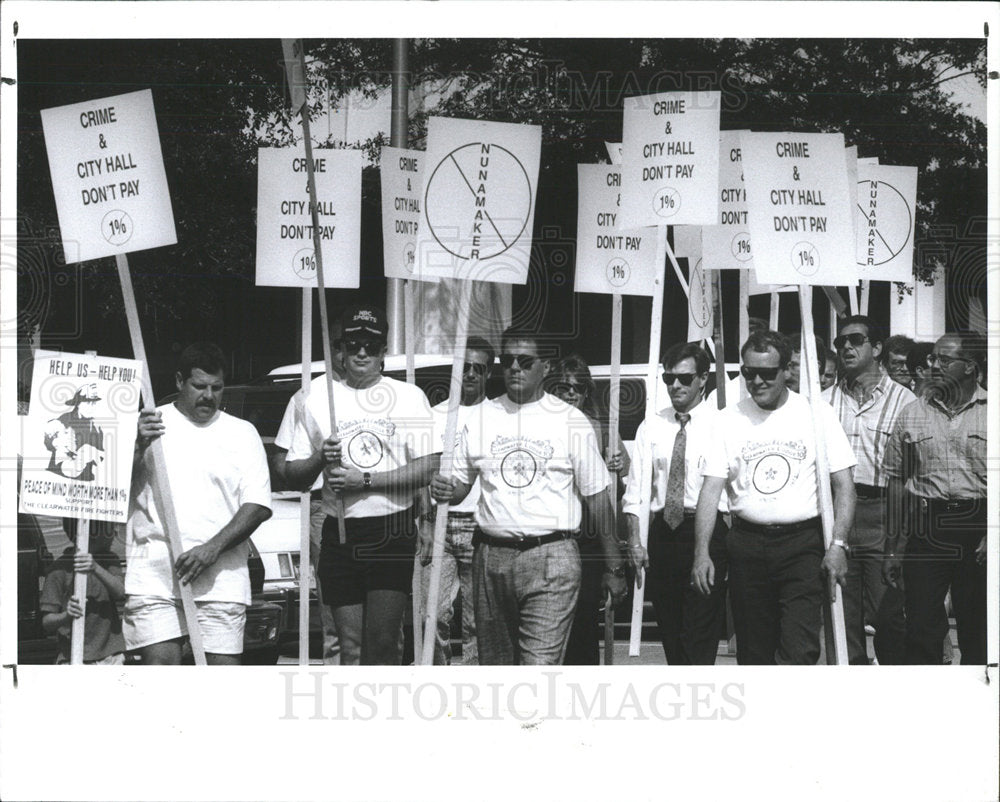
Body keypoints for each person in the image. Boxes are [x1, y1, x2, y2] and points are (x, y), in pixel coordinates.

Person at [430, 326, 628, 665]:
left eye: (525, 361)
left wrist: (614, 566)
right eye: (507, 361)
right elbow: (461, 484)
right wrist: (444, 487)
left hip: (552, 557)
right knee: (498, 670)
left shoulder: (570, 421)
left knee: (538, 670)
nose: (515, 368)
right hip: (491, 557)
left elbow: (597, 497)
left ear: (545, 367)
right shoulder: (480, 418)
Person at [691, 329, 857, 665]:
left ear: (786, 371)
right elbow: (710, 492)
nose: (756, 381)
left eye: (767, 373)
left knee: (799, 649)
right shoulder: (727, 420)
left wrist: (838, 545)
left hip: (803, 546)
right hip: (747, 546)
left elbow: (844, 486)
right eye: (749, 372)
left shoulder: (816, 414)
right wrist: (701, 553)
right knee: (754, 653)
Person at [285, 305, 438, 665]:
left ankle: (385, 717)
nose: (362, 352)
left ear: (384, 350)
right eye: (353, 344)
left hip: (390, 528)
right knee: (348, 645)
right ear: (339, 349)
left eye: (371, 344)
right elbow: (293, 473)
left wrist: (364, 479)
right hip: (339, 530)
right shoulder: (316, 398)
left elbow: (427, 467)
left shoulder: (407, 396)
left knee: (383, 643)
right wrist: (320, 458)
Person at [125, 342, 273, 665]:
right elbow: (114, 484)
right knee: (160, 679)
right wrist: (136, 446)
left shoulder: (242, 433)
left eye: (216, 388)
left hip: (222, 581)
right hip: (155, 578)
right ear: (180, 381)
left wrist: (211, 549)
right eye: (199, 386)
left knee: (218, 689)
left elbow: (258, 504)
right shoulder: (150, 423)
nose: (208, 395)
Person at [883, 332, 987, 665]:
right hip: (928, 526)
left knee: (978, 629)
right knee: (921, 627)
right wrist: (893, 548)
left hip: (980, 527)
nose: (934, 365)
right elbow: (896, 480)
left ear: (969, 366)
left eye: (944, 360)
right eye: (932, 359)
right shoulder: (913, 413)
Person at [624, 342, 728, 665]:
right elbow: (637, 489)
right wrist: (635, 540)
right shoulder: (651, 426)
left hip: (706, 534)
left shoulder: (720, 426)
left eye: (684, 378)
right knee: (671, 633)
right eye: (669, 379)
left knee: (699, 633)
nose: (676, 386)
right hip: (663, 536)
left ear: (703, 379)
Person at [824, 316, 914, 665]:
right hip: (836, 513)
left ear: (876, 348)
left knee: (888, 613)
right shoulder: (826, 401)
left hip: (883, 512)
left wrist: (899, 532)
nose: (845, 347)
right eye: (840, 342)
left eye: (856, 340)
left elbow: (911, 470)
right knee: (841, 616)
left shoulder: (905, 401)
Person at [545, 354, 629, 665]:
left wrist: (618, 465)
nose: (570, 394)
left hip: (588, 536)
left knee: (582, 622)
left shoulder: (601, 427)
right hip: (553, 533)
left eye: (578, 388)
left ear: (586, 393)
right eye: (564, 387)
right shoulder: (542, 424)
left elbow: (620, 484)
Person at [418, 336, 497, 665]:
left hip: (480, 525)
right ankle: (440, 679)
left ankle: (471, 686)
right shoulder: (434, 414)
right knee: (431, 615)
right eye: (463, 368)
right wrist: (423, 520)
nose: (470, 375)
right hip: (438, 525)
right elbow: (419, 471)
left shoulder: (499, 415)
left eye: (478, 369)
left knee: (476, 621)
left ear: (488, 373)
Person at [271, 321, 344, 664]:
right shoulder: (308, 396)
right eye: (343, 345)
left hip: (382, 509)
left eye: (365, 345)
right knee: (334, 606)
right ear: (332, 350)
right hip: (325, 507)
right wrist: (320, 458)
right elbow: (285, 464)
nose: (352, 354)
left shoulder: (390, 394)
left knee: (382, 616)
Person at [40, 519, 125, 665]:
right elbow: (47, 622)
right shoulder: (58, 570)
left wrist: (95, 567)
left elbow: (120, 593)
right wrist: (67, 615)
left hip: (110, 655)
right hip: (72, 655)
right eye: (109, 528)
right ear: (90, 533)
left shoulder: (110, 561)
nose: (115, 533)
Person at [44, 382, 105, 481]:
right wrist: (54, 442)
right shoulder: (64, 420)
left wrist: (94, 453)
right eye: (88, 402)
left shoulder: (96, 427)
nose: (92, 406)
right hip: (58, 475)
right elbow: (48, 442)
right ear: (78, 404)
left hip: (85, 480)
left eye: (94, 403)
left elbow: (100, 456)